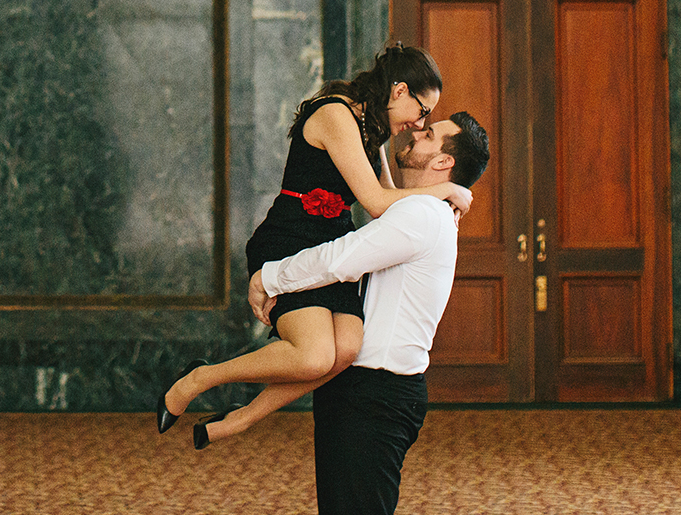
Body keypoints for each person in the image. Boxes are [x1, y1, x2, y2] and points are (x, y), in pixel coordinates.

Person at [155, 44, 471, 447]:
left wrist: (438, 203)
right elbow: (377, 201)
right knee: (314, 356)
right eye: (422, 111)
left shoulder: (371, 130)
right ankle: (199, 378)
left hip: (330, 245)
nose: (418, 123)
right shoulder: (336, 114)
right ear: (399, 91)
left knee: (347, 351)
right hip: (291, 240)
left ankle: (241, 417)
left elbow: (386, 204)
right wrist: (446, 190)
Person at [249, 111, 491, 515]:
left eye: (429, 134)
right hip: (364, 388)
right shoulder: (423, 209)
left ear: (444, 161)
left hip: (375, 396)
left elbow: (339, 259)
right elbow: (382, 198)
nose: (417, 132)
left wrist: (269, 277)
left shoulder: (423, 214)